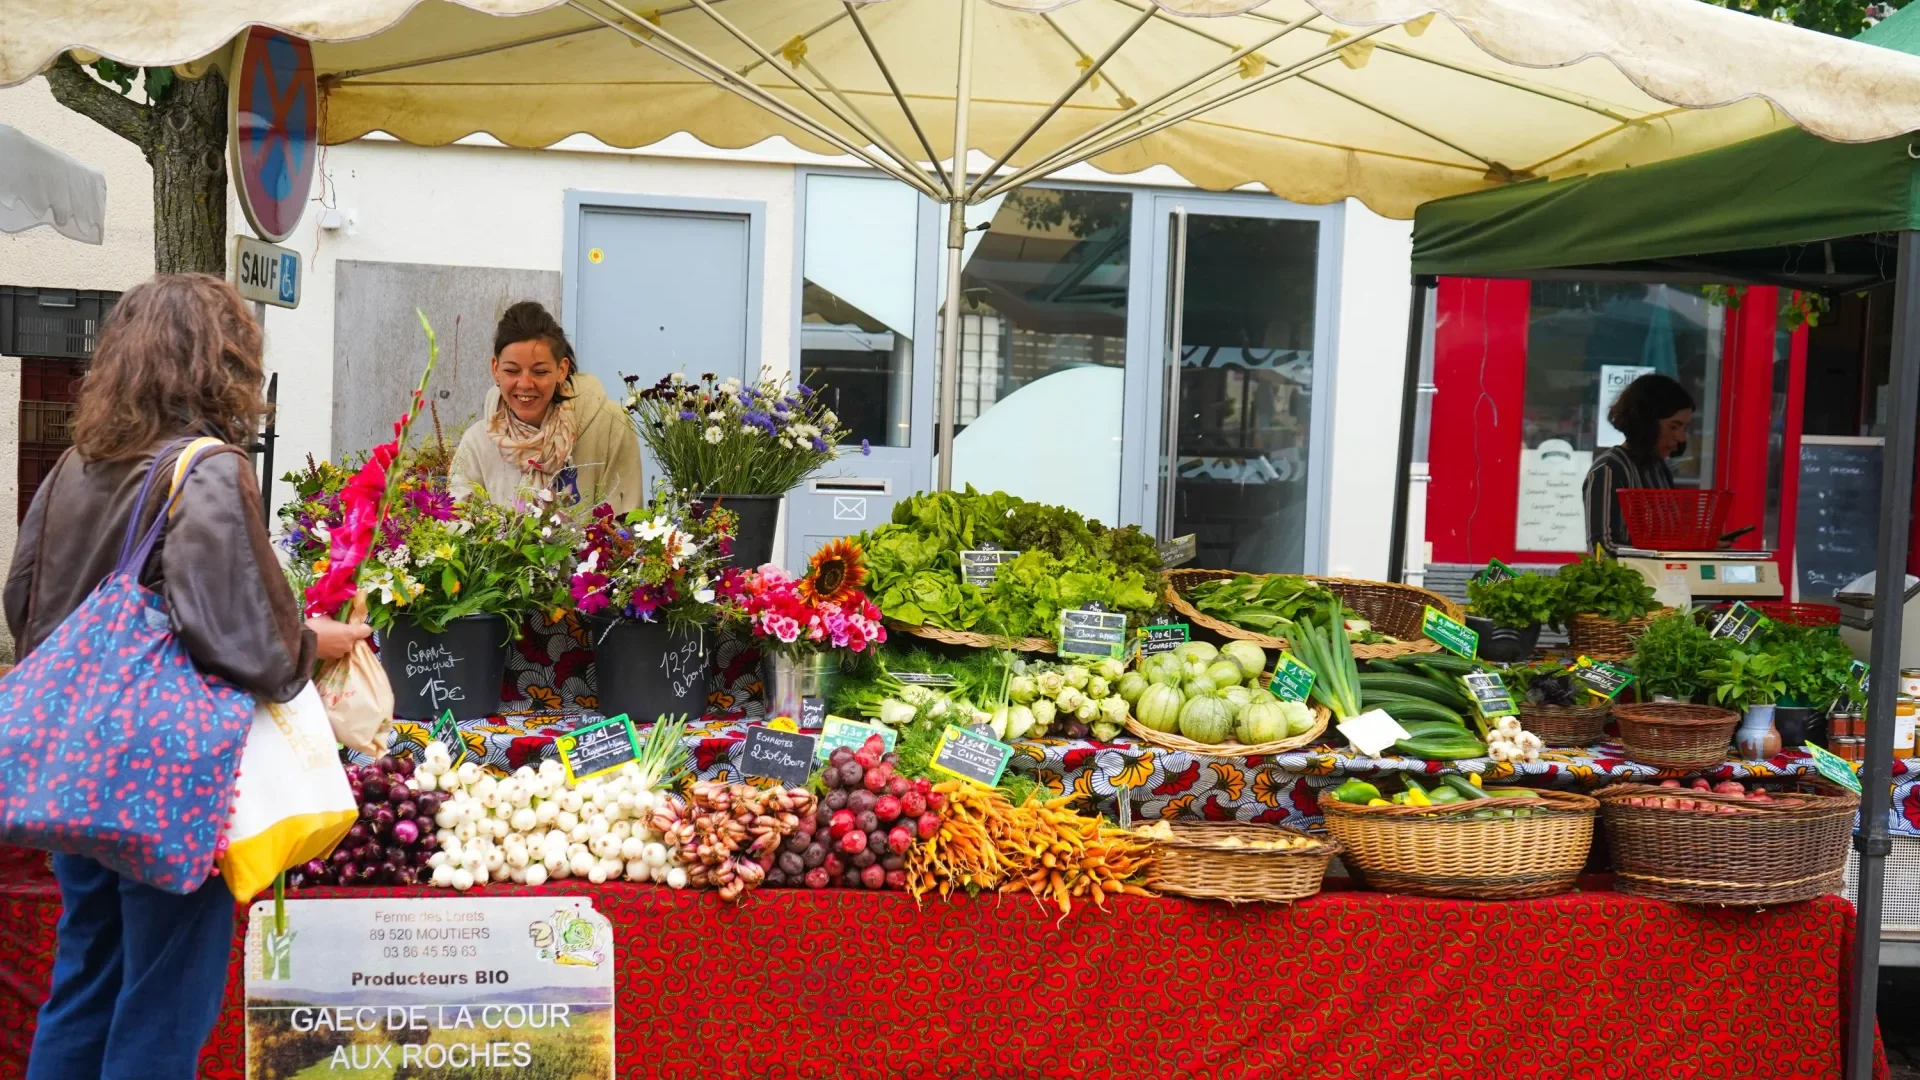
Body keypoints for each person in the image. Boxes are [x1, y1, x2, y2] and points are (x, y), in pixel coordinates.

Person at [3, 274, 369, 1080]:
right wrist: (315, 639)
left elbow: (21, 600)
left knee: (85, 983)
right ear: (222, 359)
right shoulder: (205, 467)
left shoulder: (75, 463)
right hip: (164, 777)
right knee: (164, 1006)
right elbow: (252, 646)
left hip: (73, 766)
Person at [449, 301, 641, 512]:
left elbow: (624, 523)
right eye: (512, 371)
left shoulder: (609, 424)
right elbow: (458, 526)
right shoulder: (477, 442)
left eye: (539, 372)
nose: (524, 384)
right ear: (495, 368)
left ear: (562, 369)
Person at [1583, 372, 1696, 550]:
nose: (1681, 437)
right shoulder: (1609, 469)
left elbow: (1666, 537)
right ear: (1646, 424)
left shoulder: (1659, 468)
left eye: (1685, 427)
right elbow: (1603, 550)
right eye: (1674, 427)